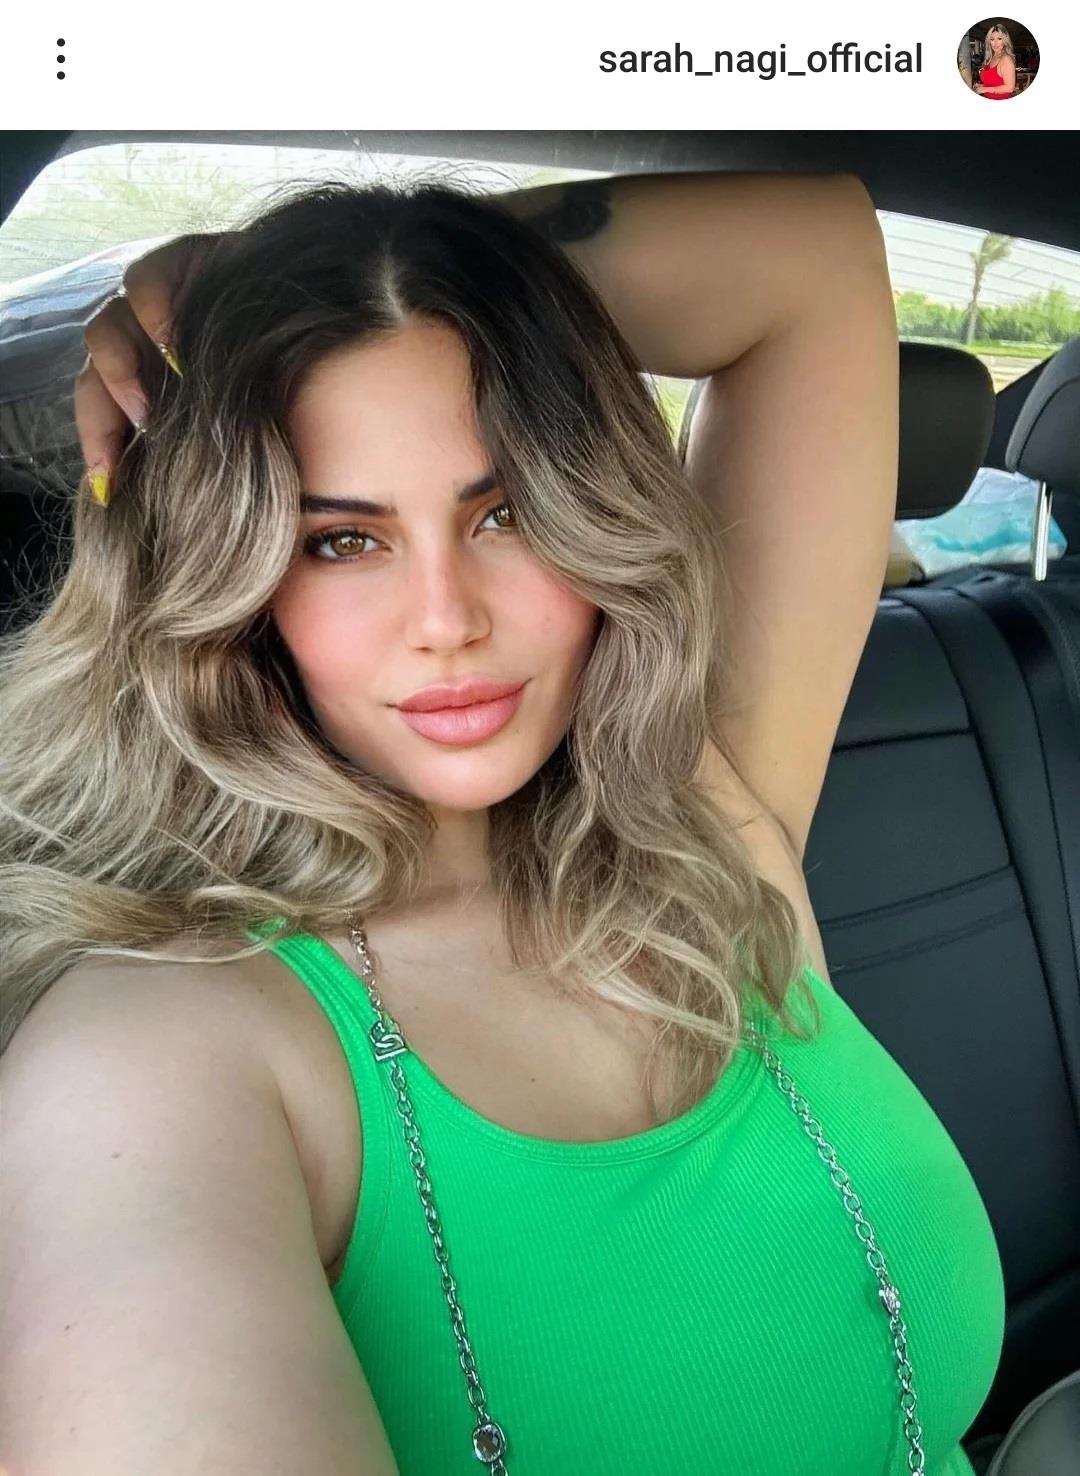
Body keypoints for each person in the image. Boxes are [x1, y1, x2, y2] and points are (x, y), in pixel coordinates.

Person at [0, 172, 1005, 1474]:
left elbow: (811, 254)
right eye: (342, 541)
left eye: (508, 510)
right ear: (230, 577)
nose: (448, 619)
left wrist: (358, 267)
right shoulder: (151, 1059)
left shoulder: (699, 831)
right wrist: (278, 301)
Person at [973, 22, 1018, 97]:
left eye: (999, 39)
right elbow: (995, 83)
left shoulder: (1006, 59)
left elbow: (1010, 88)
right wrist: (982, 86)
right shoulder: (992, 57)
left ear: (1005, 40)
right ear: (989, 41)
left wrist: (984, 89)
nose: (995, 43)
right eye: (992, 39)